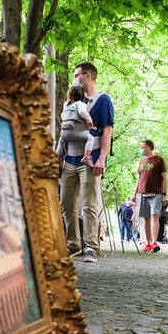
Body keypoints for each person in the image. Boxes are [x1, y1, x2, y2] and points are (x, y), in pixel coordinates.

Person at [59, 62, 114, 264]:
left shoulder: (102, 101)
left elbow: (107, 131)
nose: (75, 78)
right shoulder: (70, 103)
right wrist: (59, 155)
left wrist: (101, 158)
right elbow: (64, 130)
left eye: (77, 75)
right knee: (66, 203)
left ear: (88, 76)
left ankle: (91, 246)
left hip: (90, 160)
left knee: (89, 203)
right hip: (69, 158)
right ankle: (73, 244)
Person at [134, 139, 168, 253]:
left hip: (156, 193)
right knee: (146, 218)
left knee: (155, 216)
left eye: (142, 147)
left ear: (147, 147)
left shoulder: (159, 159)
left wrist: (164, 194)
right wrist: (135, 193)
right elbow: (139, 179)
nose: (141, 149)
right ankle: (147, 243)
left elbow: (165, 178)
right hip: (142, 193)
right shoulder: (142, 160)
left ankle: (154, 242)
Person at [56, 85, 95, 166]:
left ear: (69, 95)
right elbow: (82, 112)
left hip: (65, 133)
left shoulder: (65, 105)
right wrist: (89, 122)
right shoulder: (80, 104)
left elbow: (62, 116)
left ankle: (58, 158)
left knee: (61, 140)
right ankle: (87, 156)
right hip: (76, 132)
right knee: (90, 138)